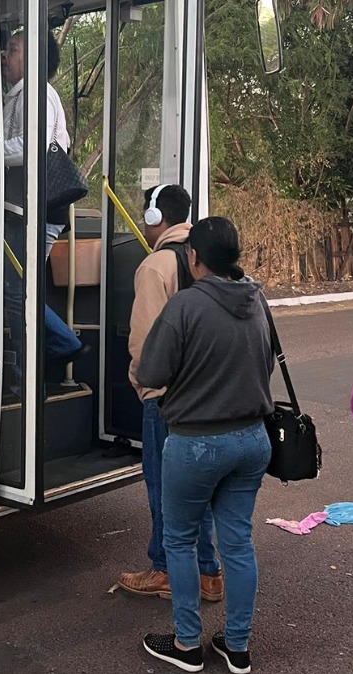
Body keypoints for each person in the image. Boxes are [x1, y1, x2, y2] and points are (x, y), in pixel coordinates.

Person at [137, 217, 274, 674]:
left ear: (194, 257)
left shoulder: (185, 306)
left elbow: (151, 372)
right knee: (237, 541)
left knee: (178, 541)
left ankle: (188, 644)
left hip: (196, 442)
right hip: (253, 439)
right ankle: (237, 647)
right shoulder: (257, 299)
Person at [117, 185, 223, 605]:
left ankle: (163, 569)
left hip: (166, 398)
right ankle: (209, 574)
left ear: (154, 216)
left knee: (165, 490)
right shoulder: (207, 260)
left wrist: (145, 387)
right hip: (206, 396)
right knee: (199, 490)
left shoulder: (155, 265)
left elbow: (144, 342)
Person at [0, 30, 85, 387]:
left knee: (17, 291)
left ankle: (37, 364)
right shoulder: (18, 95)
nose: (5, 55)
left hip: (39, 212)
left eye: (14, 49)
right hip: (24, 209)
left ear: (33, 58)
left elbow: (34, 144)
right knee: (14, 288)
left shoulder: (39, 95)